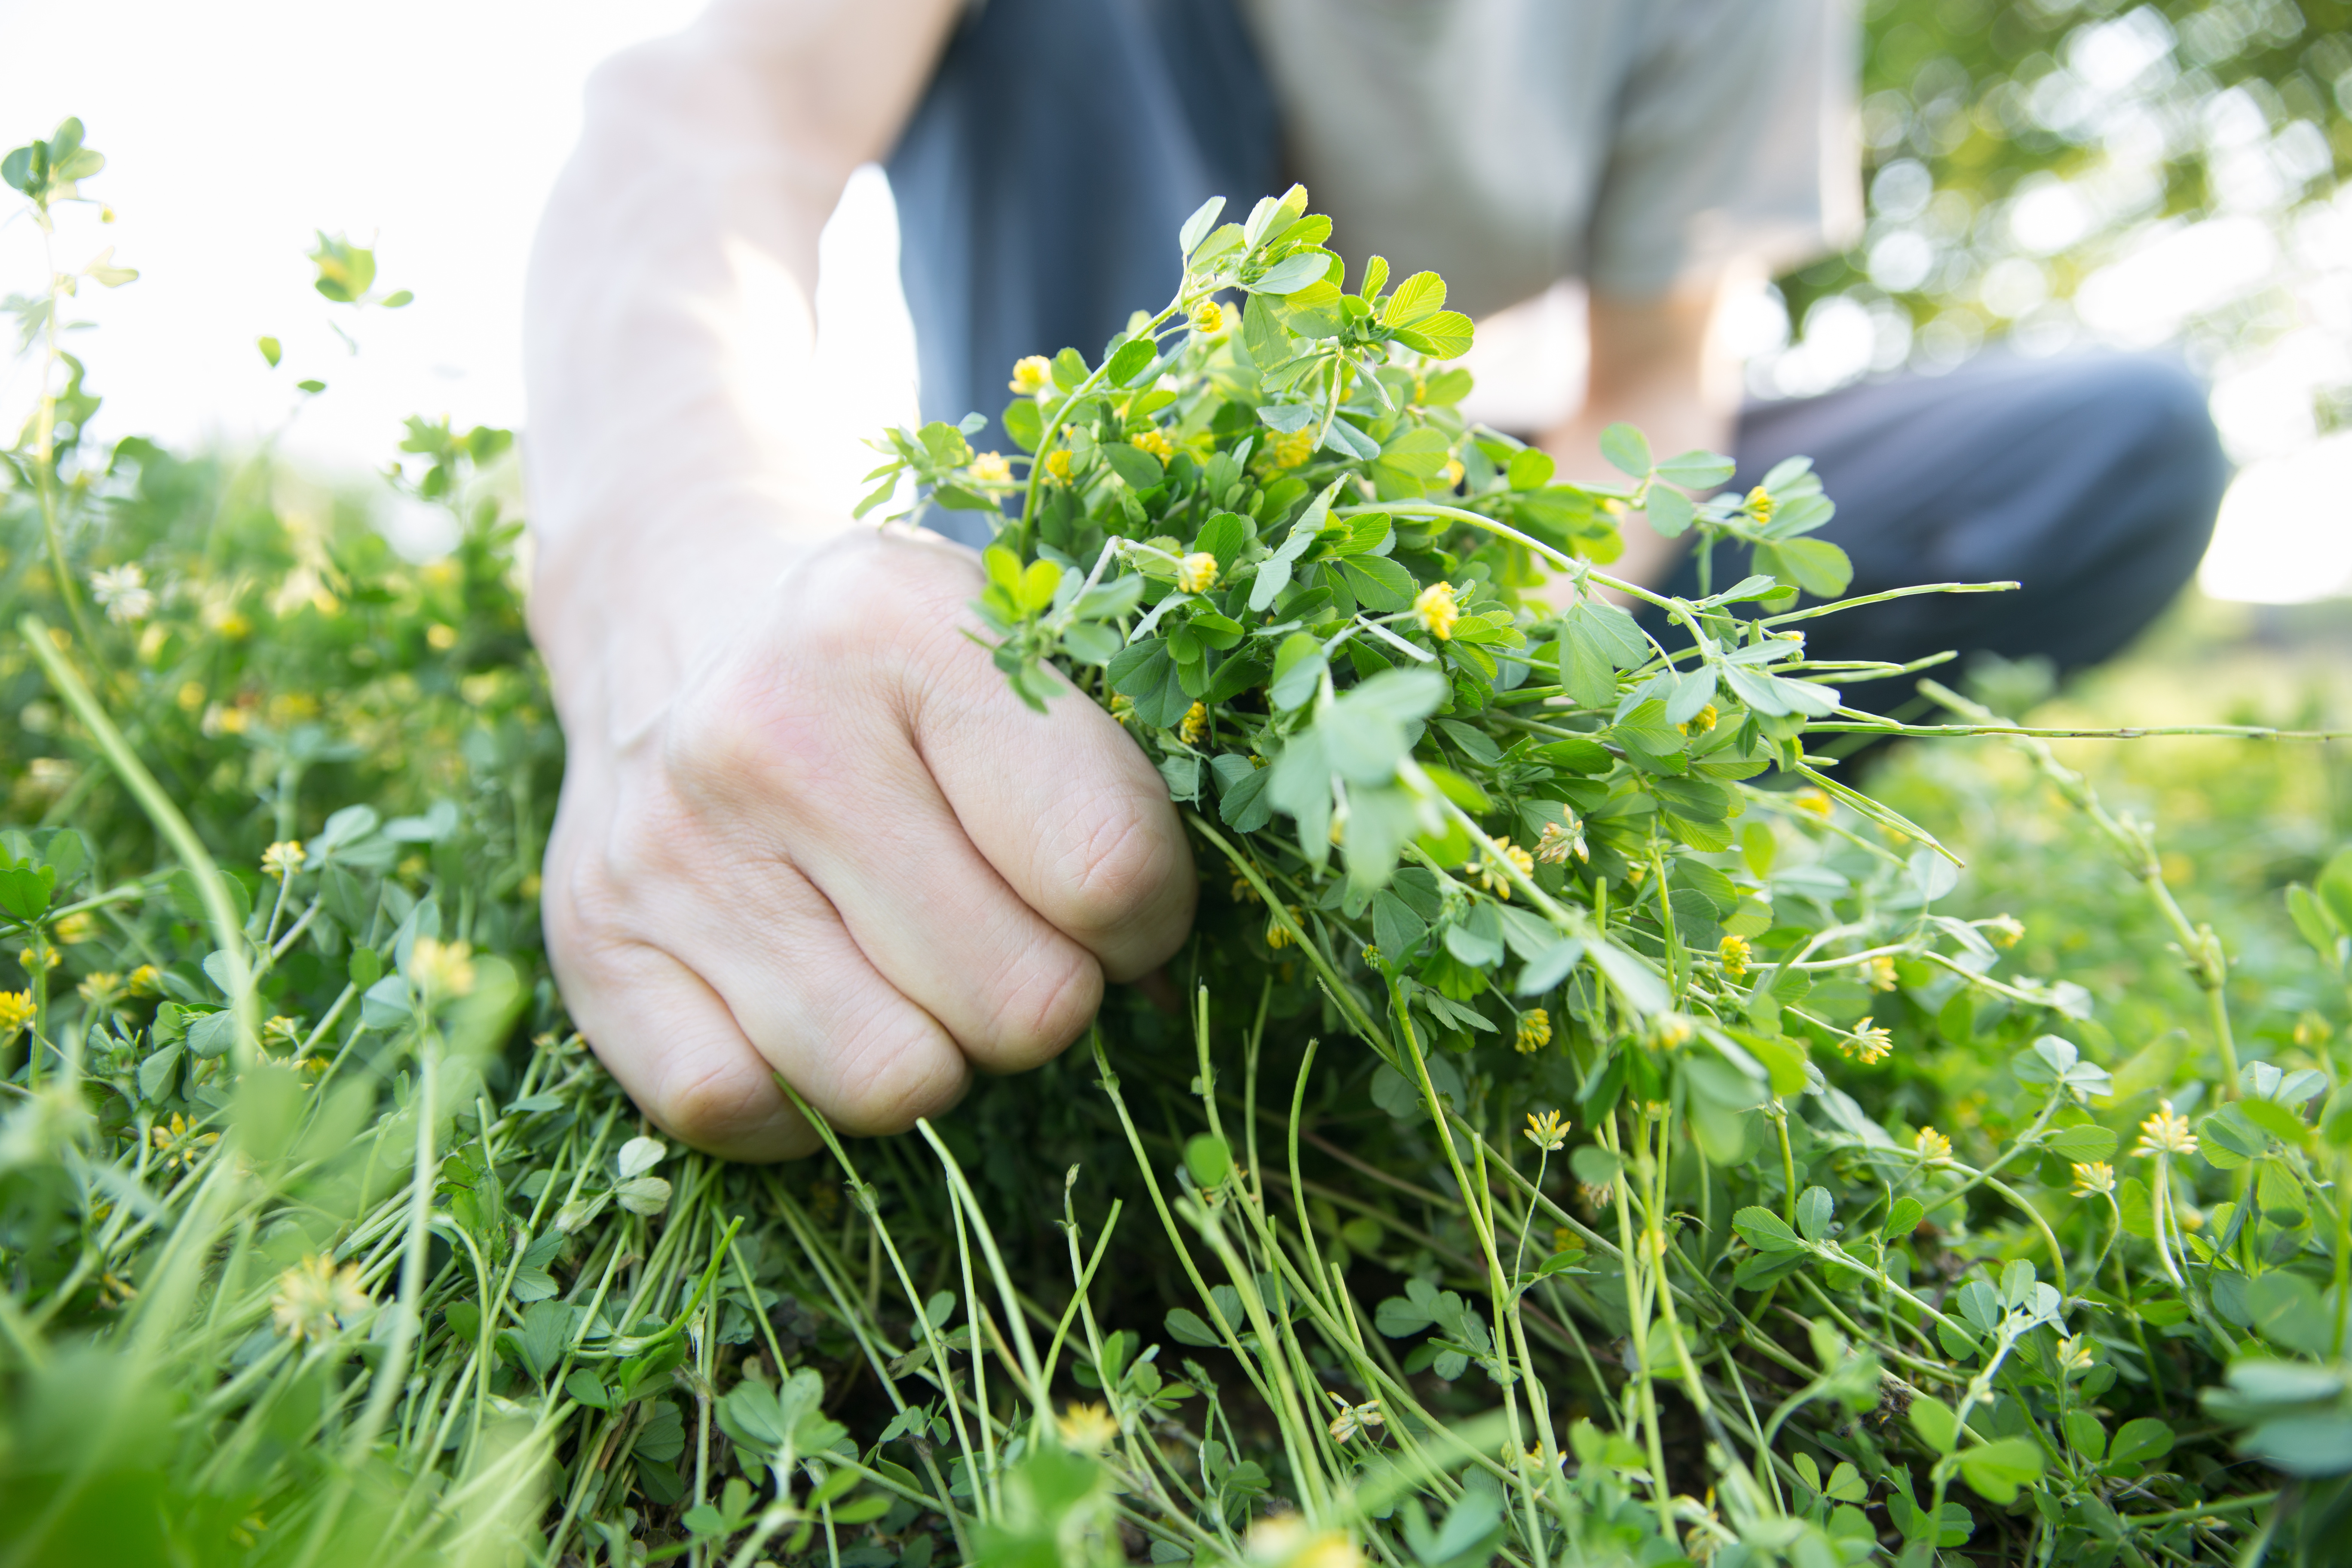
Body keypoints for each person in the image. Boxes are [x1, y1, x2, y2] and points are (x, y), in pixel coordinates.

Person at [523, 0, 2227, 1160]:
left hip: (1433, 490)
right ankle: (1075, 725)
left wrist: (1501, 655)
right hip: (1105, 438)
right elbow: (709, 129)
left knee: (2117, 447)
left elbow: (1652, 380)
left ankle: (1489, 833)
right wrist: (689, 578)